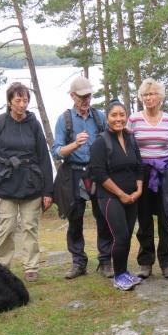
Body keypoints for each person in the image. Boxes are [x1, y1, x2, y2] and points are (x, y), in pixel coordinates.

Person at [0, 82, 53, 283]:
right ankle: (2, 265)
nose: (22, 104)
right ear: (9, 102)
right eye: (18, 100)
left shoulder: (34, 124)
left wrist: (48, 190)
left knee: (30, 227)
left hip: (32, 183)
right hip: (5, 184)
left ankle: (31, 266)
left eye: (25, 100)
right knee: (7, 227)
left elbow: (44, 158)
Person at [51, 76, 113, 279]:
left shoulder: (99, 117)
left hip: (97, 173)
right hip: (74, 172)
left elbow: (111, 140)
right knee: (74, 219)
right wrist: (75, 144)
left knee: (103, 217)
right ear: (72, 96)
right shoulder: (65, 119)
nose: (86, 100)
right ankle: (78, 262)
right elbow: (57, 152)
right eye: (82, 96)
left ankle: (106, 260)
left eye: (89, 95)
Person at [90, 99, 144, 290]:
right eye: (114, 115)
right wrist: (121, 194)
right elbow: (99, 174)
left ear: (126, 117)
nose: (118, 119)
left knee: (127, 236)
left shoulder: (130, 139)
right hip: (110, 197)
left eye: (122, 114)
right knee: (120, 236)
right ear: (107, 117)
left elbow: (139, 166)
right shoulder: (100, 142)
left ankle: (124, 271)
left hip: (132, 196)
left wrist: (138, 189)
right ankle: (118, 276)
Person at [127, 78, 168, 279]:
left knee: (166, 219)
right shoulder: (134, 120)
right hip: (141, 173)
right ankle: (145, 262)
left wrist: (163, 164)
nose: (149, 98)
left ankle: (167, 263)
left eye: (153, 94)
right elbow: (130, 147)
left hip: (164, 173)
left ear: (160, 97)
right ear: (141, 98)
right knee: (144, 218)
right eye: (145, 94)